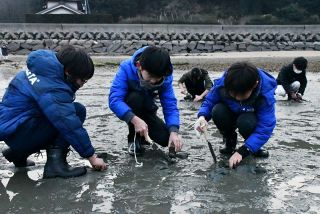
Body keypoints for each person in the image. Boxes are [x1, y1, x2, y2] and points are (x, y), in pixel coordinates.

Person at [0, 45, 107, 178]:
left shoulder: (41, 69)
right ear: (68, 72)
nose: (83, 83)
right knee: (77, 111)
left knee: (53, 114)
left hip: (13, 130)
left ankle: (17, 153)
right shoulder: (52, 87)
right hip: (19, 133)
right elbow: (69, 123)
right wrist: (92, 157)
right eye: (82, 79)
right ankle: (55, 166)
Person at [195, 62, 277, 168]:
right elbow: (209, 101)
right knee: (218, 110)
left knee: (245, 121)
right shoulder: (224, 83)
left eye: (242, 94)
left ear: (255, 84)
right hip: (229, 113)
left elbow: (266, 127)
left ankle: (253, 147)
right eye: (233, 93)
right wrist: (202, 117)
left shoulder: (265, 95)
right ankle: (229, 141)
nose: (237, 98)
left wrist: (243, 151)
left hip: (249, 118)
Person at [109, 46, 182, 156]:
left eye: (158, 78)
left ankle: (145, 135)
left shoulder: (165, 77)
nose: (153, 81)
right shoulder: (126, 68)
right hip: (132, 108)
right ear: (139, 66)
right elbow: (114, 100)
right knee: (135, 98)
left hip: (148, 109)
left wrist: (174, 131)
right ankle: (134, 139)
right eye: (150, 76)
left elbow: (170, 106)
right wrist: (134, 119)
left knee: (165, 139)